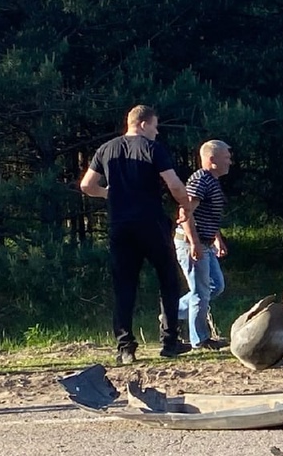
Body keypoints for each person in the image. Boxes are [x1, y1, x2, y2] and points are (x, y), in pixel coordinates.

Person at [80, 106, 197, 365]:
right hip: (150, 222)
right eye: (155, 126)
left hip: (119, 225)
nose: (156, 131)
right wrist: (185, 206)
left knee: (124, 286)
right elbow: (174, 184)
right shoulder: (152, 148)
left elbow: (87, 185)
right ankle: (169, 341)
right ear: (143, 124)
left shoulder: (106, 149)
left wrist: (108, 194)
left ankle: (125, 347)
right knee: (167, 278)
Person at [175, 140, 232, 350]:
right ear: (212, 159)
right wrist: (194, 243)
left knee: (215, 285)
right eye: (226, 158)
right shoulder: (200, 180)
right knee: (201, 292)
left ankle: (172, 314)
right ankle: (200, 339)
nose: (230, 162)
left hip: (205, 242)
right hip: (192, 243)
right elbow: (186, 212)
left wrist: (217, 238)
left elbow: (206, 215)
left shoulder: (212, 181)